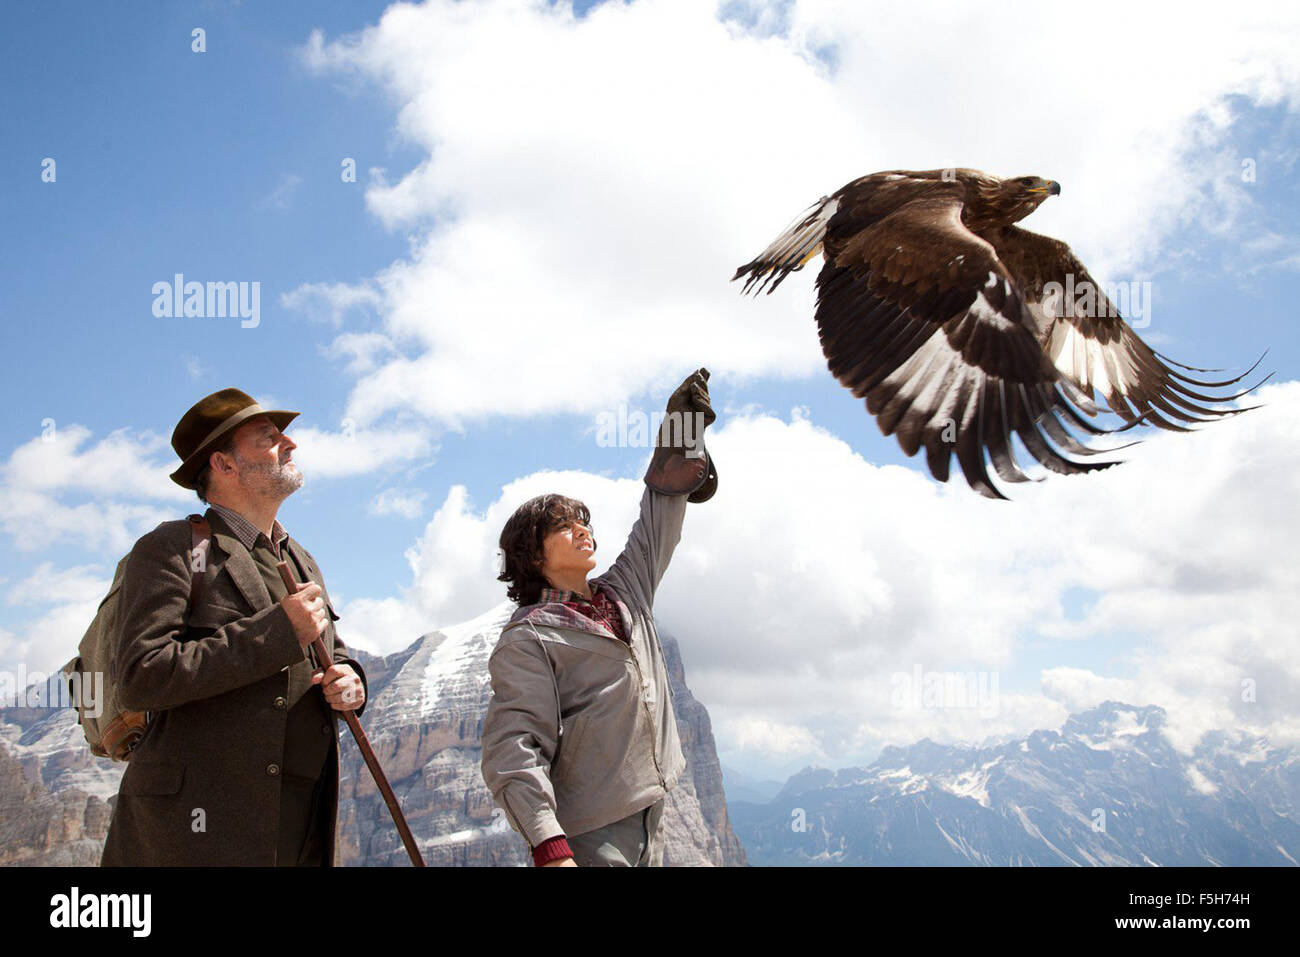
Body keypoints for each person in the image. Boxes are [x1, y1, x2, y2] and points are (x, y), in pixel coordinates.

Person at [101, 388, 367, 866]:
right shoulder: (172, 549)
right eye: (268, 437)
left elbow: (331, 651)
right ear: (224, 465)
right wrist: (277, 631)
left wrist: (351, 681)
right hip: (200, 831)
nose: (290, 444)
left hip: (300, 817)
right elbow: (142, 675)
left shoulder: (300, 558)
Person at [482, 368, 718, 867]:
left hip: (653, 809)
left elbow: (659, 514)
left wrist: (680, 435)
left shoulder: (625, 591)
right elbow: (514, 745)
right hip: (589, 832)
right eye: (563, 526)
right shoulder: (528, 638)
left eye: (584, 522)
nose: (581, 530)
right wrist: (550, 844)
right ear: (532, 553)